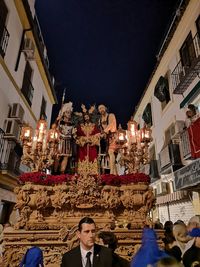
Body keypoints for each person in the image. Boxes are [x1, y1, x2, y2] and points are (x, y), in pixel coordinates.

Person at [76, 105, 100, 175]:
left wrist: (90, 139)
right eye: (85, 117)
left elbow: (98, 135)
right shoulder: (80, 126)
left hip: (91, 146)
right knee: (82, 159)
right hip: (83, 148)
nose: (86, 118)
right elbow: (77, 136)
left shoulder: (94, 126)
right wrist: (83, 140)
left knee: (92, 158)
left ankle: (92, 174)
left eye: (87, 116)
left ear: (89, 117)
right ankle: (82, 174)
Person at [55, 102, 75, 174]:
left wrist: (74, 134)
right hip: (60, 140)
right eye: (67, 112)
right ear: (64, 113)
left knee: (66, 156)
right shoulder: (60, 122)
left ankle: (62, 172)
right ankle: (55, 171)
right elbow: (54, 127)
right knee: (58, 156)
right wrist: (57, 120)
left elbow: (73, 133)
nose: (69, 114)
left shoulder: (72, 124)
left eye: (69, 112)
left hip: (68, 141)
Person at [98, 104, 117, 175]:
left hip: (113, 136)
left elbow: (112, 124)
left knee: (111, 152)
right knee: (109, 155)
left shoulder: (111, 115)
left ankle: (111, 173)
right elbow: (99, 129)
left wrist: (104, 131)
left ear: (105, 108)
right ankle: (115, 173)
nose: (101, 109)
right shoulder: (100, 120)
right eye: (99, 109)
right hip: (106, 139)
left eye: (102, 108)